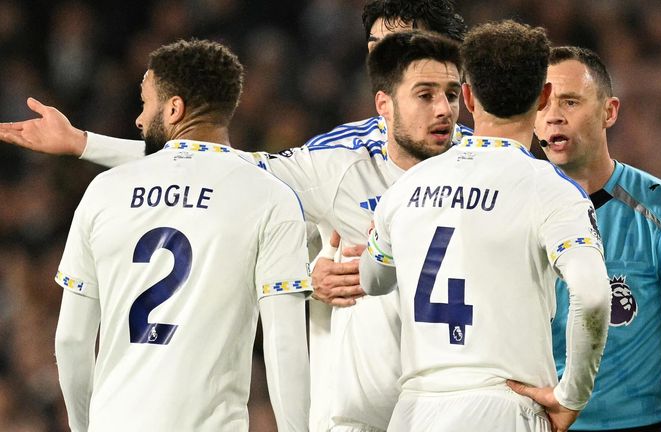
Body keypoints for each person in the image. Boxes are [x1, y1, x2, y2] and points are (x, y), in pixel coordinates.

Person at [0, 3, 469, 431]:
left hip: (466, 405)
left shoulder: (495, 168)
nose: (384, 60)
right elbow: (225, 168)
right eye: (376, 48)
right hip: (361, 415)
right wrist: (84, 143)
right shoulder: (339, 159)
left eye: (402, 45)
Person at [359, 21, 611, 432]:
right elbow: (593, 295)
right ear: (544, 96)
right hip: (503, 406)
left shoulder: (407, 187)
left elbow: (372, 280)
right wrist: (572, 395)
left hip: (413, 411)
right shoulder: (549, 188)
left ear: (470, 97)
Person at [52, 39, 311, 431]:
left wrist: (82, 425)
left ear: (174, 109)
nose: (139, 120)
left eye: (145, 103)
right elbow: (285, 344)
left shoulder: (104, 191)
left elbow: (71, 340)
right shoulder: (270, 199)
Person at [529, 46, 661, 431]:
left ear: (609, 111)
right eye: (542, 103)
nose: (553, 116)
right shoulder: (516, 208)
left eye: (570, 101)